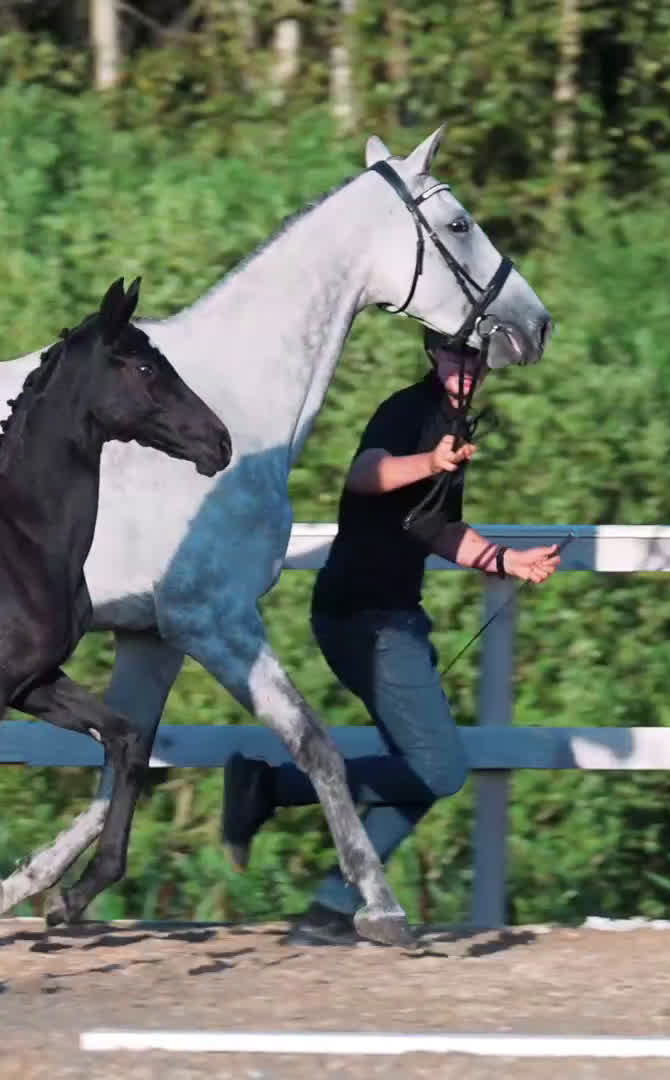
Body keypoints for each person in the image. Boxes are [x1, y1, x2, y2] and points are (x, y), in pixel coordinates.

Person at [220, 327, 561, 945]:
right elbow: (363, 474)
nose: (464, 364)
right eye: (453, 352)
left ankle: (332, 908)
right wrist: (431, 461)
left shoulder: (455, 423)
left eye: (473, 355)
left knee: (418, 770)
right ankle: (270, 786)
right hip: (366, 617)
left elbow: (435, 527)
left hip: (388, 615)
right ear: (433, 353)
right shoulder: (409, 412)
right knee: (443, 768)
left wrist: (510, 562)